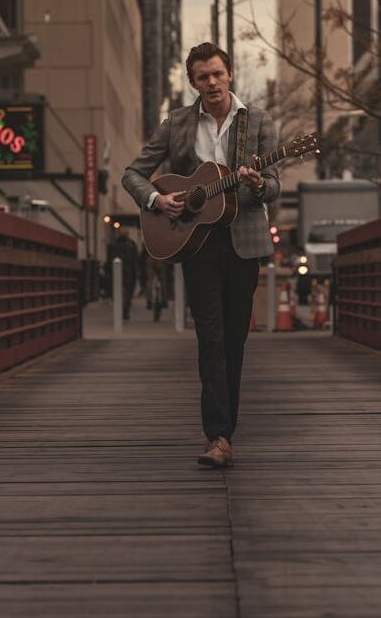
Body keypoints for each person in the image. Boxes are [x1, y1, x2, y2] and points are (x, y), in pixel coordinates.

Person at [123, 42, 279, 468]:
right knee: (209, 338)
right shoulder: (176, 124)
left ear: (230, 75)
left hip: (243, 241)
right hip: (196, 243)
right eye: (202, 76)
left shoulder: (258, 122)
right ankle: (218, 436)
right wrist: (157, 199)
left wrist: (257, 185)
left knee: (233, 340)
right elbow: (132, 173)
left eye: (217, 74)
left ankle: (225, 427)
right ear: (192, 82)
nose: (211, 82)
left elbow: (273, 184)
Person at [106, 227, 139, 320]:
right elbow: (135, 259)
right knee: (128, 291)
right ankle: (125, 309)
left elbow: (109, 260)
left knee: (118, 290)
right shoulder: (131, 244)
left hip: (117, 271)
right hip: (128, 271)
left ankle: (121, 309)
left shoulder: (112, 245)